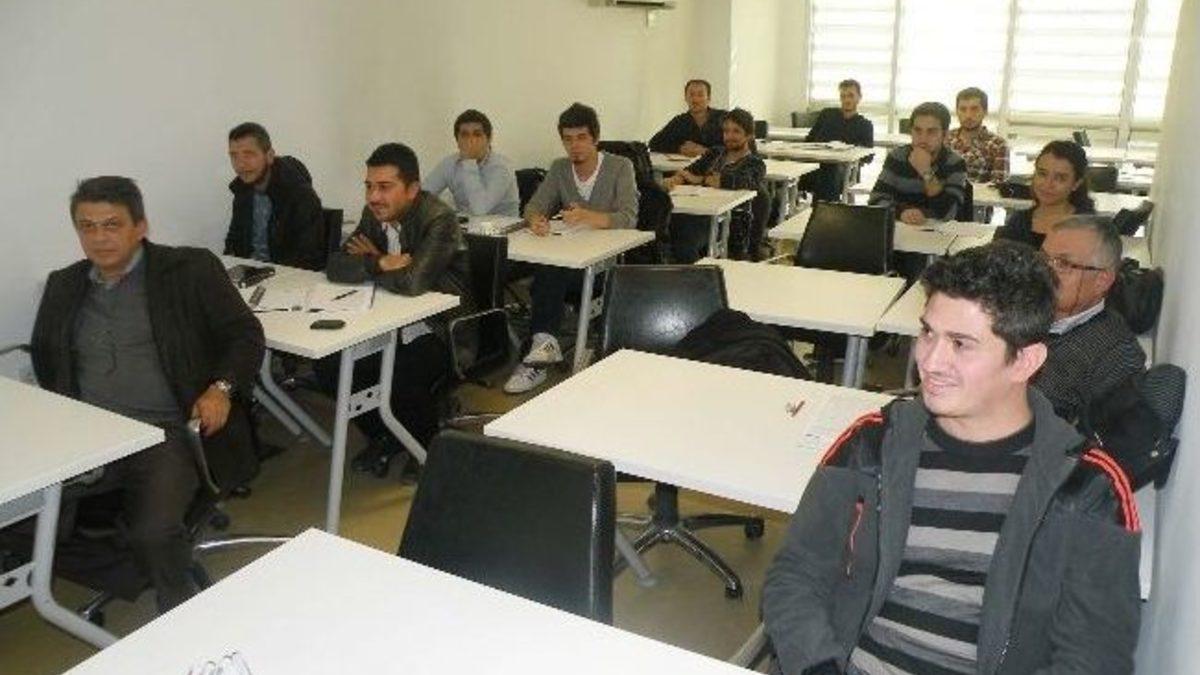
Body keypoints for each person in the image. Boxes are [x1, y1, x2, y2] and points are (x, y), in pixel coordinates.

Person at [763, 241, 1141, 675]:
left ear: (1025, 361)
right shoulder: (871, 443)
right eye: (928, 333)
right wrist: (817, 667)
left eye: (961, 344)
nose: (929, 361)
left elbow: (1095, 657)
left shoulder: (1088, 487)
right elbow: (796, 573)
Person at [31, 176, 264, 612]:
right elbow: (48, 360)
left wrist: (221, 388)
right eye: (87, 226)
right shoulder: (64, 285)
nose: (99, 238)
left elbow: (244, 334)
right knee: (18, 522)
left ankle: (179, 607)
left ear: (140, 226)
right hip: (90, 436)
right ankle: (135, 569)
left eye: (112, 225)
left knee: (152, 531)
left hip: (165, 433)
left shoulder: (188, 271)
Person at [322, 143, 467, 475]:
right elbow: (334, 266)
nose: (374, 196)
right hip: (387, 321)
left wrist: (371, 261)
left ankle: (427, 444)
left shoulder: (439, 218)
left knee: (403, 373)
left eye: (385, 187)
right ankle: (386, 435)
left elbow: (414, 283)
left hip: (442, 327)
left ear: (412, 189)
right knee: (330, 366)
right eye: (369, 186)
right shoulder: (373, 214)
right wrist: (381, 262)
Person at [503, 102, 638, 395]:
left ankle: (539, 352)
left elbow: (629, 217)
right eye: (568, 139)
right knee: (551, 266)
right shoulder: (560, 168)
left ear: (595, 138)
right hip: (568, 259)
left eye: (581, 138)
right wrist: (536, 220)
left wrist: (589, 216)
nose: (574, 146)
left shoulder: (620, 167)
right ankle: (542, 347)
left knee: (550, 271)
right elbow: (534, 206)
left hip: (605, 267)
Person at [1037, 216, 1145, 421]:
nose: (1044, 271)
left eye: (1063, 264)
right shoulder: (1021, 308)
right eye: (1043, 258)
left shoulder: (1117, 356)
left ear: (1101, 281)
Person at [663, 108, 767, 262]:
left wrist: (702, 180)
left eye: (736, 131)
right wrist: (676, 179)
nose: (729, 136)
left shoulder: (755, 163)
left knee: (684, 242)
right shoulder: (715, 153)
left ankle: (695, 274)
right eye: (726, 131)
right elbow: (690, 171)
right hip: (696, 210)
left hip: (726, 221)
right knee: (661, 230)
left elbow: (740, 181)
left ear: (749, 135)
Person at [224, 122, 327, 271]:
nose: (240, 164)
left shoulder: (300, 195)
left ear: (269, 156)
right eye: (234, 156)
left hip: (285, 276)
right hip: (251, 272)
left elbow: (308, 257)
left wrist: (266, 273)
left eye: (249, 154)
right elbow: (233, 241)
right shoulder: (242, 190)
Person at [868, 102, 967, 225]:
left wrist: (926, 172)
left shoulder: (955, 163)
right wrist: (901, 212)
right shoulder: (897, 157)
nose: (923, 139)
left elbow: (949, 213)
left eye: (931, 132)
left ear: (945, 135)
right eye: (917, 130)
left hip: (938, 232)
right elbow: (875, 200)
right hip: (902, 229)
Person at [995, 140, 1096, 248]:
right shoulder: (1018, 222)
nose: (1048, 184)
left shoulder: (1088, 227)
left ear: (1076, 184)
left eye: (1060, 178)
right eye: (1042, 174)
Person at [422, 109, 519, 217]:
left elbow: (480, 210)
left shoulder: (501, 167)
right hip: (466, 225)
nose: (471, 140)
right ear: (457, 141)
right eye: (465, 135)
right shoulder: (450, 163)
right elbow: (422, 196)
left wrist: (469, 161)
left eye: (477, 135)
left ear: (489, 139)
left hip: (503, 226)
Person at [801, 79, 875, 203]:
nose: (847, 100)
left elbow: (868, 157)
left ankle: (824, 211)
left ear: (859, 97)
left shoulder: (865, 125)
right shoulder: (827, 115)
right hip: (817, 164)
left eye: (851, 96)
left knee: (829, 173)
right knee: (788, 172)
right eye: (843, 96)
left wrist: (850, 151)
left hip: (846, 170)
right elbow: (809, 140)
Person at [648, 79, 727, 157]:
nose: (695, 99)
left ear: (708, 98)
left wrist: (706, 151)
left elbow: (733, 145)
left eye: (700, 95)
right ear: (686, 98)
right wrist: (680, 149)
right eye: (691, 95)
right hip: (686, 165)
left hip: (719, 164)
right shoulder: (679, 121)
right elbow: (654, 144)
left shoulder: (724, 117)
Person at [947, 87, 1009, 184]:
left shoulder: (998, 144)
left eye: (974, 109)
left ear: (985, 111)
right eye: (963, 109)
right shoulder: (945, 139)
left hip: (978, 193)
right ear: (957, 112)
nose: (968, 115)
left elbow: (999, 186)